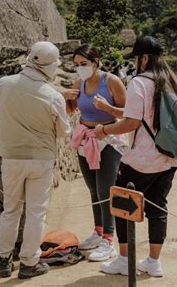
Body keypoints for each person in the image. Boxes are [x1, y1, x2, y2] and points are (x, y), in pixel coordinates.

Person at [94, 36, 177, 277]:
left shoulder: (139, 82)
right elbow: (142, 113)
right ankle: (154, 263)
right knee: (157, 206)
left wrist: (103, 130)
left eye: (136, 57)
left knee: (122, 204)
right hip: (169, 157)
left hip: (142, 160)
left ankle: (124, 259)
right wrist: (111, 110)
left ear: (143, 58)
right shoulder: (169, 81)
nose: (135, 61)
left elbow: (132, 122)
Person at [0, 41, 71, 279]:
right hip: (40, 160)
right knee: (36, 213)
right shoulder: (53, 95)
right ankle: (28, 262)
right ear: (49, 66)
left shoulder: (4, 84)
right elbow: (63, 132)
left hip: (11, 157)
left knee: (10, 210)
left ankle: (3, 259)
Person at [63, 44, 127, 261]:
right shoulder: (79, 82)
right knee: (92, 189)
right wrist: (66, 99)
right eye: (77, 65)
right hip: (85, 137)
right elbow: (72, 109)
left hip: (108, 138)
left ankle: (109, 240)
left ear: (96, 61)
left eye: (84, 64)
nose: (80, 68)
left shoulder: (111, 81)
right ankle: (98, 231)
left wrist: (107, 108)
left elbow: (128, 113)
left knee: (105, 189)